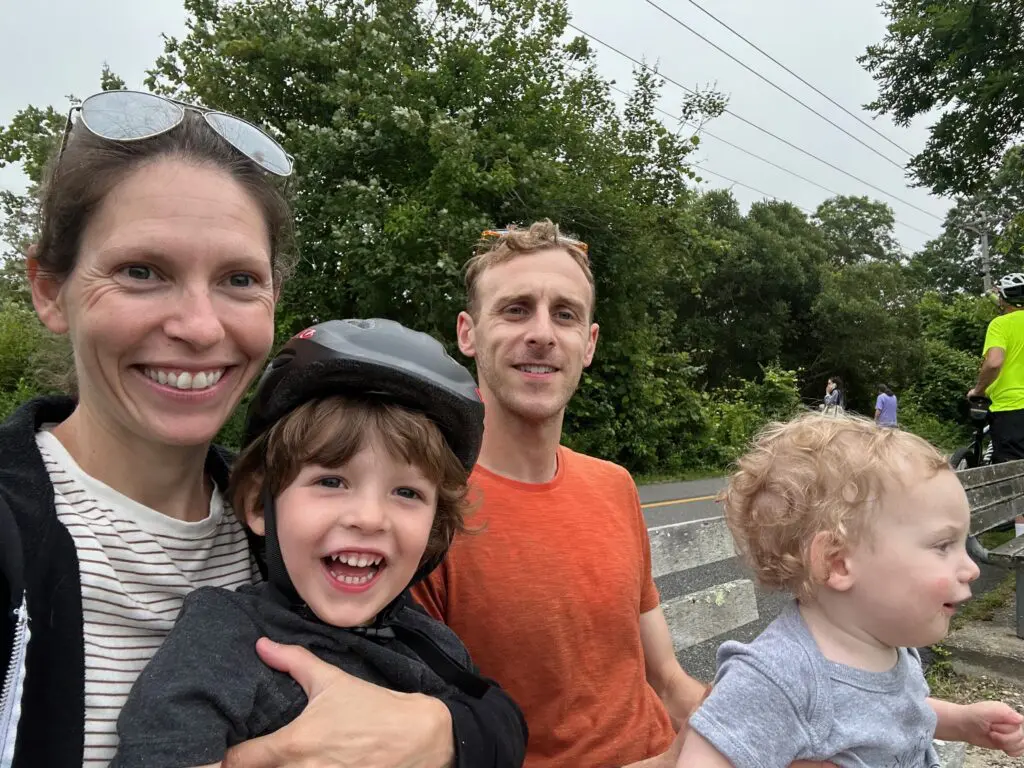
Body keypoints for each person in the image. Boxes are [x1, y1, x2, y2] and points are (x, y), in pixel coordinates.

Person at [0, 89, 502, 768]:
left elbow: (457, 683)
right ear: (49, 290)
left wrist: (445, 735)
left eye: (238, 280)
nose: (201, 326)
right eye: (141, 271)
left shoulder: (302, 524)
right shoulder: (13, 533)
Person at [411, 222, 829, 768]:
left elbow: (671, 684)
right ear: (468, 333)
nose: (542, 333)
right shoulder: (425, 509)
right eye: (515, 309)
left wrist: (763, 738)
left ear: (588, 343)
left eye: (565, 314)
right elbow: (435, 744)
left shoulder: (613, 484)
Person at [111, 318, 527, 767]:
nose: (369, 518)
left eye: (407, 492)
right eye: (331, 480)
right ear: (256, 504)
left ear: (434, 526)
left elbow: (501, 729)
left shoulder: (433, 644)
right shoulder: (224, 637)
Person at [677, 414, 1024, 767]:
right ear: (838, 562)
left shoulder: (884, 640)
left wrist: (961, 722)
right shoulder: (778, 678)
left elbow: (894, 712)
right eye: (943, 545)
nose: (972, 568)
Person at [969, 273, 1024, 464]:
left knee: (1012, 474)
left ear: (1003, 299)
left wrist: (979, 390)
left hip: (1012, 408)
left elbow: (994, 362)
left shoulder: (1000, 324)